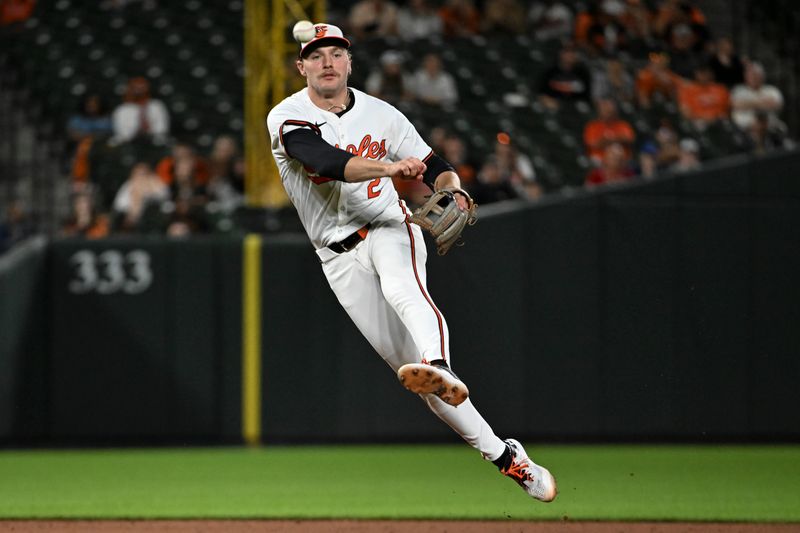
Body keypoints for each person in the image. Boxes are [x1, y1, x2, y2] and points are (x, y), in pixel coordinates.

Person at [266, 22, 557, 503]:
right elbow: (323, 160)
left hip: (387, 224)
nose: (327, 63)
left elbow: (437, 166)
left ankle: (439, 362)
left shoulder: (382, 114)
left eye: (335, 53)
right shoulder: (287, 115)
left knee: (407, 293)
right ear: (302, 67)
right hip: (335, 257)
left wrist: (453, 190)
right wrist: (388, 168)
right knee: (418, 381)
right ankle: (511, 460)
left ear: (349, 62)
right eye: (316, 56)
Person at [110, 77, 170, 145]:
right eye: (136, 88)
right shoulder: (122, 109)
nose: (139, 91)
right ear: (130, 89)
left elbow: (162, 128)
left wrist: (149, 134)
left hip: (154, 141)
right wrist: (138, 131)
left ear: (147, 89)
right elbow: (122, 133)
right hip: (129, 142)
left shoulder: (156, 105)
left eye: (142, 87)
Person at [730, 61, 785, 131]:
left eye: (755, 75)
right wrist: (762, 103)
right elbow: (736, 105)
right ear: (745, 77)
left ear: (762, 76)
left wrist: (747, 104)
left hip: (769, 129)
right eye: (750, 75)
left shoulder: (771, 90)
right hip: (743, 130)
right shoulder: (739, 90)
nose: (753, 78)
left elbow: (776, 105)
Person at [583, 98, 636, 164]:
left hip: (623, 163)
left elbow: (630, 139)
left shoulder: (623, 125)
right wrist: (616, 139)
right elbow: (593, 144)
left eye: (609, 110)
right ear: (600, 111)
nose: (608, 112)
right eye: (605, 110)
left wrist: (609, 139)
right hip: (599, 161)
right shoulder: (593, 126)